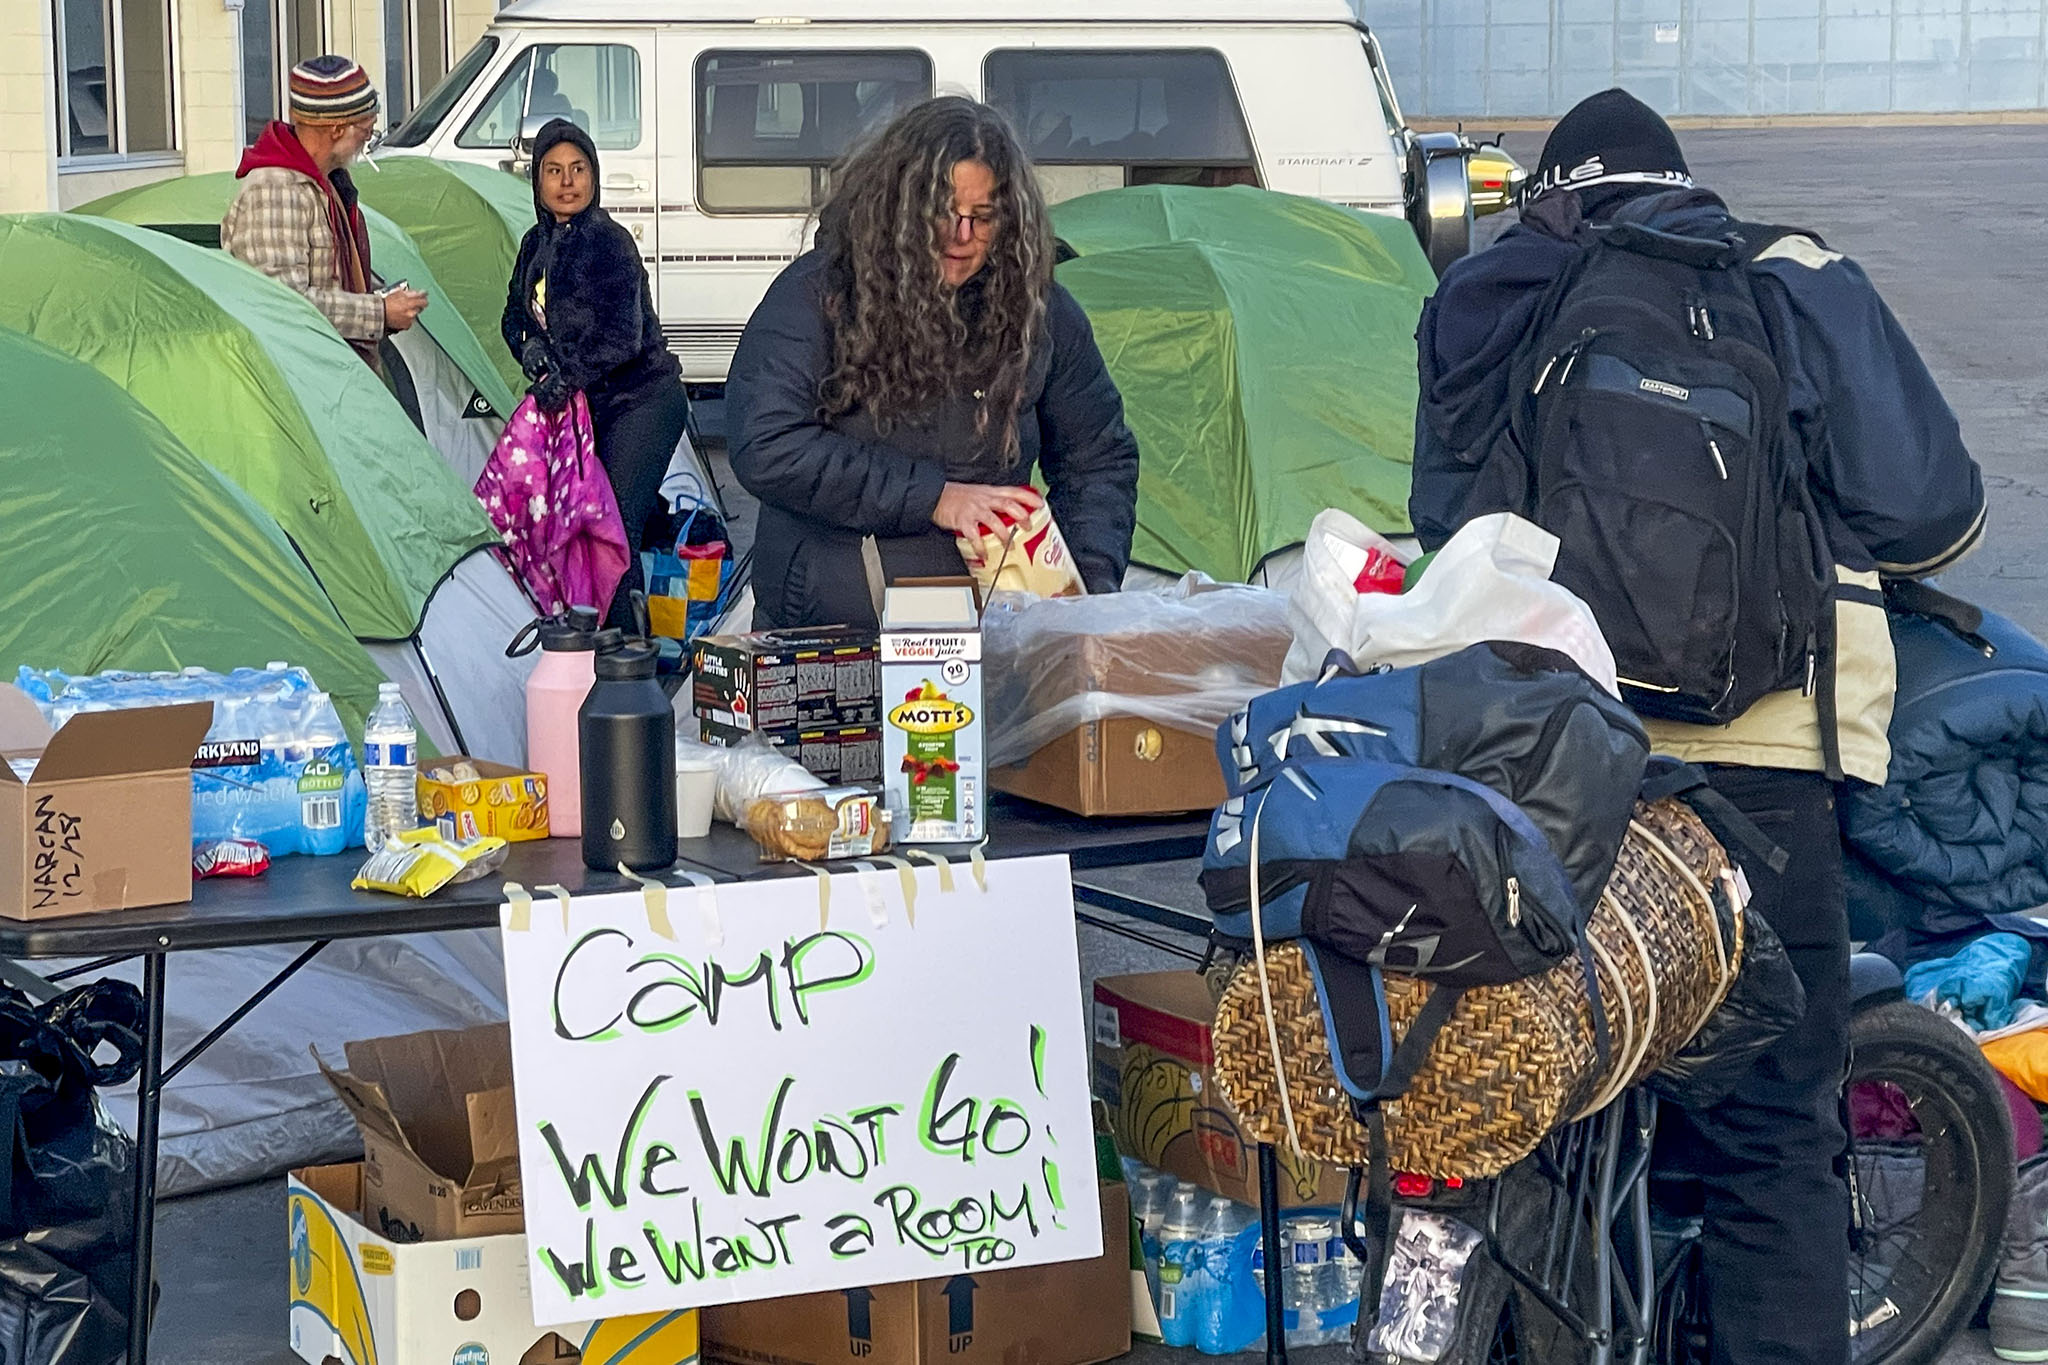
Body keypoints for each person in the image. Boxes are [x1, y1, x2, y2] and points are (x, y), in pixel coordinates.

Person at [1412, 90, 1985, 1365]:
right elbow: (1935, 517)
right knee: (1772, 1135)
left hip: (1548, 764)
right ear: (1684, 187)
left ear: (1551, 190)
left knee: (1544, 1099)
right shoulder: (1789, 275)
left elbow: (1447, 523)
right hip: (1767, 768)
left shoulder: (1494, 288)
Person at [726, 96, 1140, 630]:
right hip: (832, 633)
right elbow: (766, 444)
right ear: (898, 205)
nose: (960, 236)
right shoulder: (816, 295)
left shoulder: (1043, 311)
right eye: (943, 211)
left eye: (982, 217)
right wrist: (933, 498)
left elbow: (1098, 460)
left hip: (993, 633)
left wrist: (1083, 589)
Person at [501, 118, 691, 629]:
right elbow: (514, 318)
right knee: (582, 523)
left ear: (594, 176)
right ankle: (614, 639)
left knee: (613, 528)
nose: (567, 182)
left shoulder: (609, 242)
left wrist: (565, 377)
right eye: (554, 171)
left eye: (578, 169)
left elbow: (621, 339)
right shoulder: (533, 244)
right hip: (586, 410)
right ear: (537, 181)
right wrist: (532, 353)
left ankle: (628, 664)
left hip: (642, 401)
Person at [223, 56, 427, 365]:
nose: (367, 138)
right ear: (335, 128)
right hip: (301, 381)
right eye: (365, 129)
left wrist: (383, 301)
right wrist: (380, 312)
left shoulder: (326, 182)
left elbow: (327, 281)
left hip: (332, 372)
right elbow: (282, 304)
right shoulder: (276, 191)